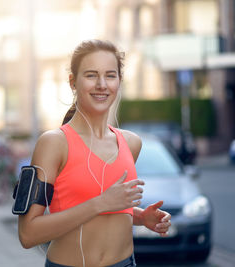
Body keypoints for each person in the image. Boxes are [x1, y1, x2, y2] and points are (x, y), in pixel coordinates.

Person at [17, 39, 171, 267]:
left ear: (119, 81)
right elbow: (28, 234)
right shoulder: (54, 143)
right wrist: (99, 203)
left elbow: (112, 209)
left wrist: (139, 216)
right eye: (91, 75)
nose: (101, 84)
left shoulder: (131, 143)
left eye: (110, 75)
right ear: (73, 82)